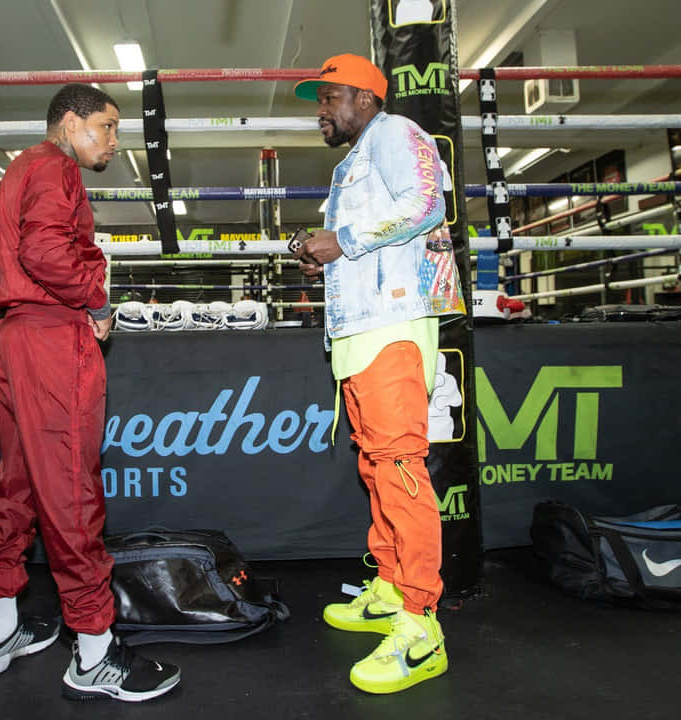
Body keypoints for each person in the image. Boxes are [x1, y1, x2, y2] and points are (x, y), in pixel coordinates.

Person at [0, 83, 180, 703]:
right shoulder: (55, 166)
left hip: (15, 339)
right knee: (68, 488)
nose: (114, 141)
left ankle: (0, 630)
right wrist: (96, 301)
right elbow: (44, 251)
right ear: (70, 121)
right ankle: (92, 653)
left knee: (17, 484)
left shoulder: (24, 167)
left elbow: (30, 249)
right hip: (52, 338)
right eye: (107, 127)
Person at [292, 54, 466, 694]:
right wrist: (327, 256)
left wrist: (343, 240)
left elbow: (426, 204)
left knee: (398, 469)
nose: (321, 110)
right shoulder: (353, 161)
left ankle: (421, 627)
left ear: (363, 98)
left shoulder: (395, 132)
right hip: (361, 329)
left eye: (329, 97)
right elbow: (372, 239)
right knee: (377, 467)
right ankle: (392, 588)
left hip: (392, 328)